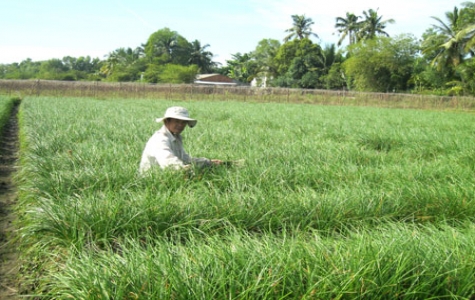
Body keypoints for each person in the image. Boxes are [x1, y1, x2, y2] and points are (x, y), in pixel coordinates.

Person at [139, 106, 222, 173]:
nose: (180, 125)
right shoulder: (160, 139)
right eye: (177, 121)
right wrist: (186, 169)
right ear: (167, 121)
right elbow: (168, 162)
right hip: (154, 181)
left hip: (167, 176)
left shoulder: (175, 137)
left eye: (183, 122)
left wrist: (207, 162)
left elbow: (184, 159)